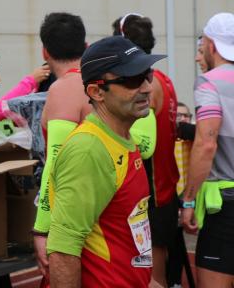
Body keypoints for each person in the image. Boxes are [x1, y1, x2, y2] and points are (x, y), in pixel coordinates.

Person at [47, 36, 166, 287]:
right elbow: (63, 252)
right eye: (132, 79)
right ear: (96, 92)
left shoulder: (123, 137)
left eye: (147, 74)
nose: (146, 87)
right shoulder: (89, 150)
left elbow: (129, 243)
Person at [112, 13, 179, 287]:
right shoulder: (162, 78)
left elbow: (142, 143)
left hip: (153, 192)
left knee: (152, 276)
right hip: (164, 186)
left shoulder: (145, 85)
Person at [32, 12, 91, 280]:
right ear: (86, 46)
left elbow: (56, 161)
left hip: (76, 215)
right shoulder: (100, 81)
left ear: (45, 51)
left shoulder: (64, 89)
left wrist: (42, 229)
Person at [182, 13, 234, 288]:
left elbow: (206, 143)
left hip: (226, 204)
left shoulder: (210, 81)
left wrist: (189, 200)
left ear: (212, 45)